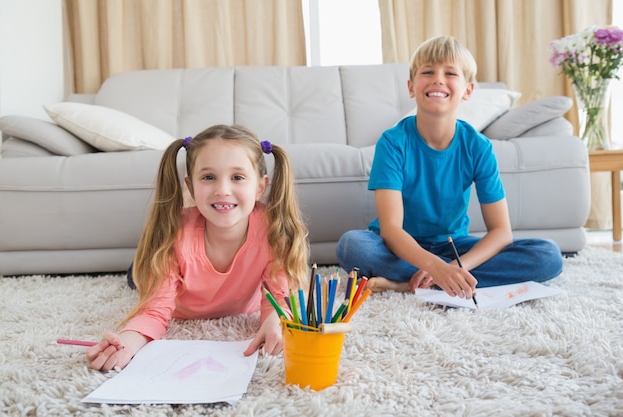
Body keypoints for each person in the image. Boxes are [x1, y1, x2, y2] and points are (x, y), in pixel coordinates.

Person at [336, 35, 563, 298]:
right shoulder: (393, 142)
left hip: (454, 248)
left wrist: (452, 268)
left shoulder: (478, 147)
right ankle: (439, 280)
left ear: (468, 90)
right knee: (352, 246)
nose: (438, 79)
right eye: (428, 71)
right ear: (411, 87)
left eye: (450, 73)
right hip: (398, 247)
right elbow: (391, 229)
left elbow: (501, 232)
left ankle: (411, 283)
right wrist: (435, 267)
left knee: (548, 255)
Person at [86, 124, 309, 371]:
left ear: (260, 186)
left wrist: (276, 320)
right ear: (190, 187)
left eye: (237, 177)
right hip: (179, 278)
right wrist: (126, 342)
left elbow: (280, 296)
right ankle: (136, 268)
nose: (222, 190)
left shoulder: (274, 230)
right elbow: (154, 311)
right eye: (208, 177)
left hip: (218, 282)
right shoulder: (174, 233)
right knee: (139, 276)